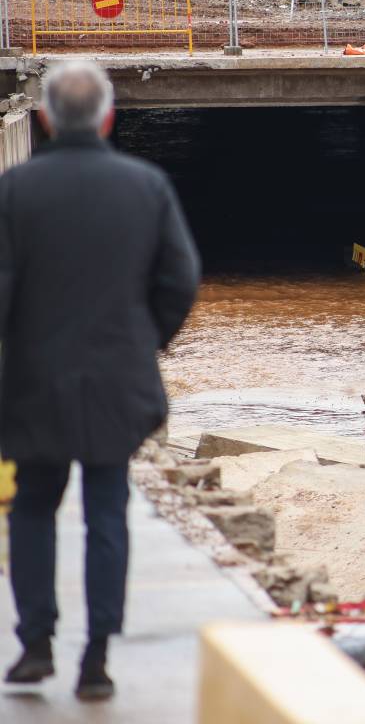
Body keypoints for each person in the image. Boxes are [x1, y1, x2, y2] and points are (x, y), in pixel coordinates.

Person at [0, 62, 200, 700]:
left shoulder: (15, 191)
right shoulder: (146, 186)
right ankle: (97, 658)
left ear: (47, 118)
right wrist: (145, 345)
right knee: (107, 512)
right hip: (118, 380)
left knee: (32, 506)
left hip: (34, 381)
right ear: (109, 118)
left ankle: (35, 643)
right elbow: (180, 281)